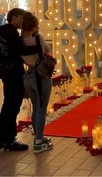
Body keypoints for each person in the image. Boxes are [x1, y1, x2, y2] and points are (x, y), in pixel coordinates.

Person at [0, 8, 39, 151]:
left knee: (7, 106)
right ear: (14, 17)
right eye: (21, 18)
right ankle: (9, 140)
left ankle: (3, 138)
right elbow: (22, 51)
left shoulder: (2, 31)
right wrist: (38, 47)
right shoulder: (11, 32)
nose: (23, 21)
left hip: (5, 73)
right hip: (14, 74)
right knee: (12, 107)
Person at [21, 11, 53, 153]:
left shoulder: (19, 41)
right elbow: (48, 50)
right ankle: (39, 142)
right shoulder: (38, 39)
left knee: (35, 108)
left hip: (28, 77)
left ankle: (38, 137)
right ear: (34, 26)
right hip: (41, 77)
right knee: (41, 109)